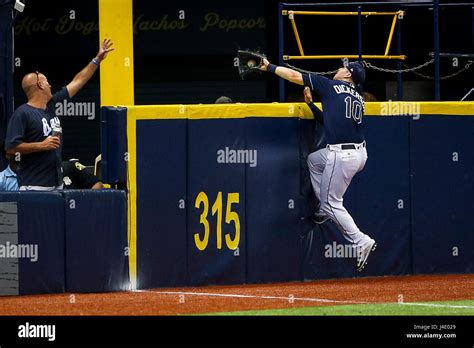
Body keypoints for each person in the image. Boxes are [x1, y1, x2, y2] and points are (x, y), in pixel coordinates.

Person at [260, 59, 376, 271]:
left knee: (332, 203)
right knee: (314, 161)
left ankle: (361, 241)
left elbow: (295, 76)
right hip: (359, 154)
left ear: (348, 75)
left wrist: (270, 67)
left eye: (344, 68)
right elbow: (331, 122)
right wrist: (312, 106)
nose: (340, 68)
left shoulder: (330, 85)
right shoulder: (358, 98)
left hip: (342, 155)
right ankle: (324, 210)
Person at [4, 39, 114, 191]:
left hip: (57, 185)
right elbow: (11, 148)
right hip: (34, 187)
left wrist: (97, 59)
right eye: (47, 81)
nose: (50, 85)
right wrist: (41, 145)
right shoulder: (22, 113)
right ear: (40, 85)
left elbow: (78, 81)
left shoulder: (51, 105)